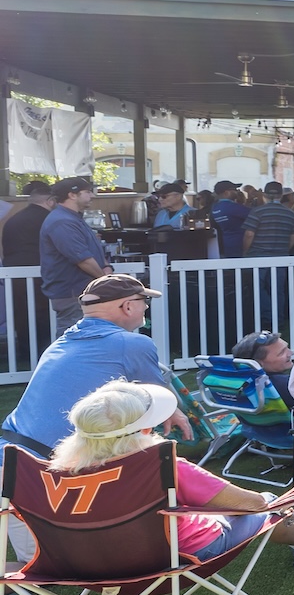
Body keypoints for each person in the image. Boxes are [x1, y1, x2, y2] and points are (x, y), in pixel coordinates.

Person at [52, 381, 294, 558]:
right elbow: (249, 505)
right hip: (178, 554)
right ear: (146, 428)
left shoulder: (57, 473)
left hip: (94, 562)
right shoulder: (161, 466)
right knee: (267, 502)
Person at [1, 273, 188, 452]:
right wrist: (175, 412)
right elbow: (157, 401)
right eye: (144, 301)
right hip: (51, 464)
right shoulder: (133, 344)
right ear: (128, 306)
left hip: (11, 450)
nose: (146, 307)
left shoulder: (61, 341)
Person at [39, 176, 112, 336]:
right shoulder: (62, 221)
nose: (92, 196)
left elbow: (90, 250)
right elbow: (82, 259)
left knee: (86, 341)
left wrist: (106, 266)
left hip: (80, 292)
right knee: (73, 343)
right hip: (73, 294)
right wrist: (104, 280)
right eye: (87, 192)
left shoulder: (71, 218)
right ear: (72, 195)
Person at [4, 181, 55, 359]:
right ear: (50, 200)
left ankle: (26, 352)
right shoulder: (48, 219)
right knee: (42, 313)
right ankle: (44, 352)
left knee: (22, 314)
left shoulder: (15, 218)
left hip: (14, 273)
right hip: (38, 272)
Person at [232, 328, 294, 405]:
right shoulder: (288, 385)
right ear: (259, 363)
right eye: (281, 353)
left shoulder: (242, 386)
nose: (291, 353)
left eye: (287, 348)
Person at [209, 180, 252, 257]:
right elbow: (257, 214)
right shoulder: (232, 207)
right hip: (240, 245)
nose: (237, 192)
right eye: (235, 190)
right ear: (226, 192)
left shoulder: (215, 207)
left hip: (227, 243)